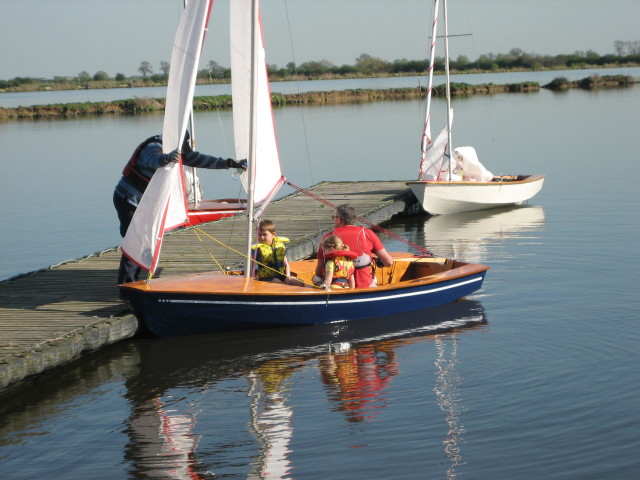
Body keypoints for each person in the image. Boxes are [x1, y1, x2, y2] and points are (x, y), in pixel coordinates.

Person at [114, 133, 246, 284]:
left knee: (143, 240)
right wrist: (167, 158)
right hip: (129, 200)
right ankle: (127, 284)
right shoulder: (153, 147)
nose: (185, 152)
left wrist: (230, 163)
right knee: (137, 240)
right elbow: (154, 160)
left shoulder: (178, 149)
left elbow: (199, 159)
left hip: (145, 202)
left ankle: (131, 279)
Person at [314, 204, 394, 288]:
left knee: (316, 278)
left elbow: (319, 272)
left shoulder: (328, 238)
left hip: (339, 287)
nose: (333, 219)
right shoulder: (368, 233)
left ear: (339, 219)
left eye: (333, 217)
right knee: (374, 279)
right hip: (365, 285)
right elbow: (389, 262)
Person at [252, 219, 304, 286]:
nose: (262, 237)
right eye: (259, 234)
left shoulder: (279, 245)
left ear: (273, 234)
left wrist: (288, 277)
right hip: (266, 277)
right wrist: (252, 278)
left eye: (264, 234)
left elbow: (286, 264)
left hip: (281, 274)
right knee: (280, 284)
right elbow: (251, 265)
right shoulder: (256, 248)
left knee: (300, 282)